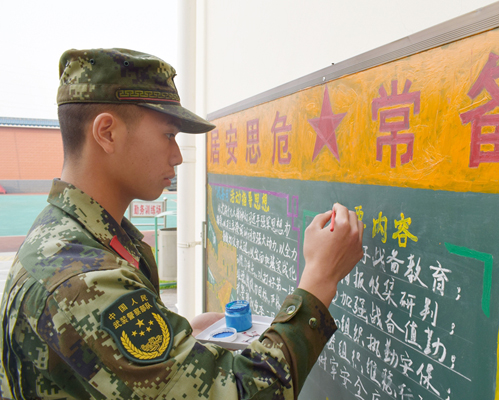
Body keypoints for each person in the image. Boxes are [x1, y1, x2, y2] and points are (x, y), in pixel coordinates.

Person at [0, 48, 364, 399]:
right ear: (107, 132)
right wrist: (319, 279)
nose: (177, 156)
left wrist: (181, 336)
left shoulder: (66, 235)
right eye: (169, 135)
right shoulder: (82, 279)